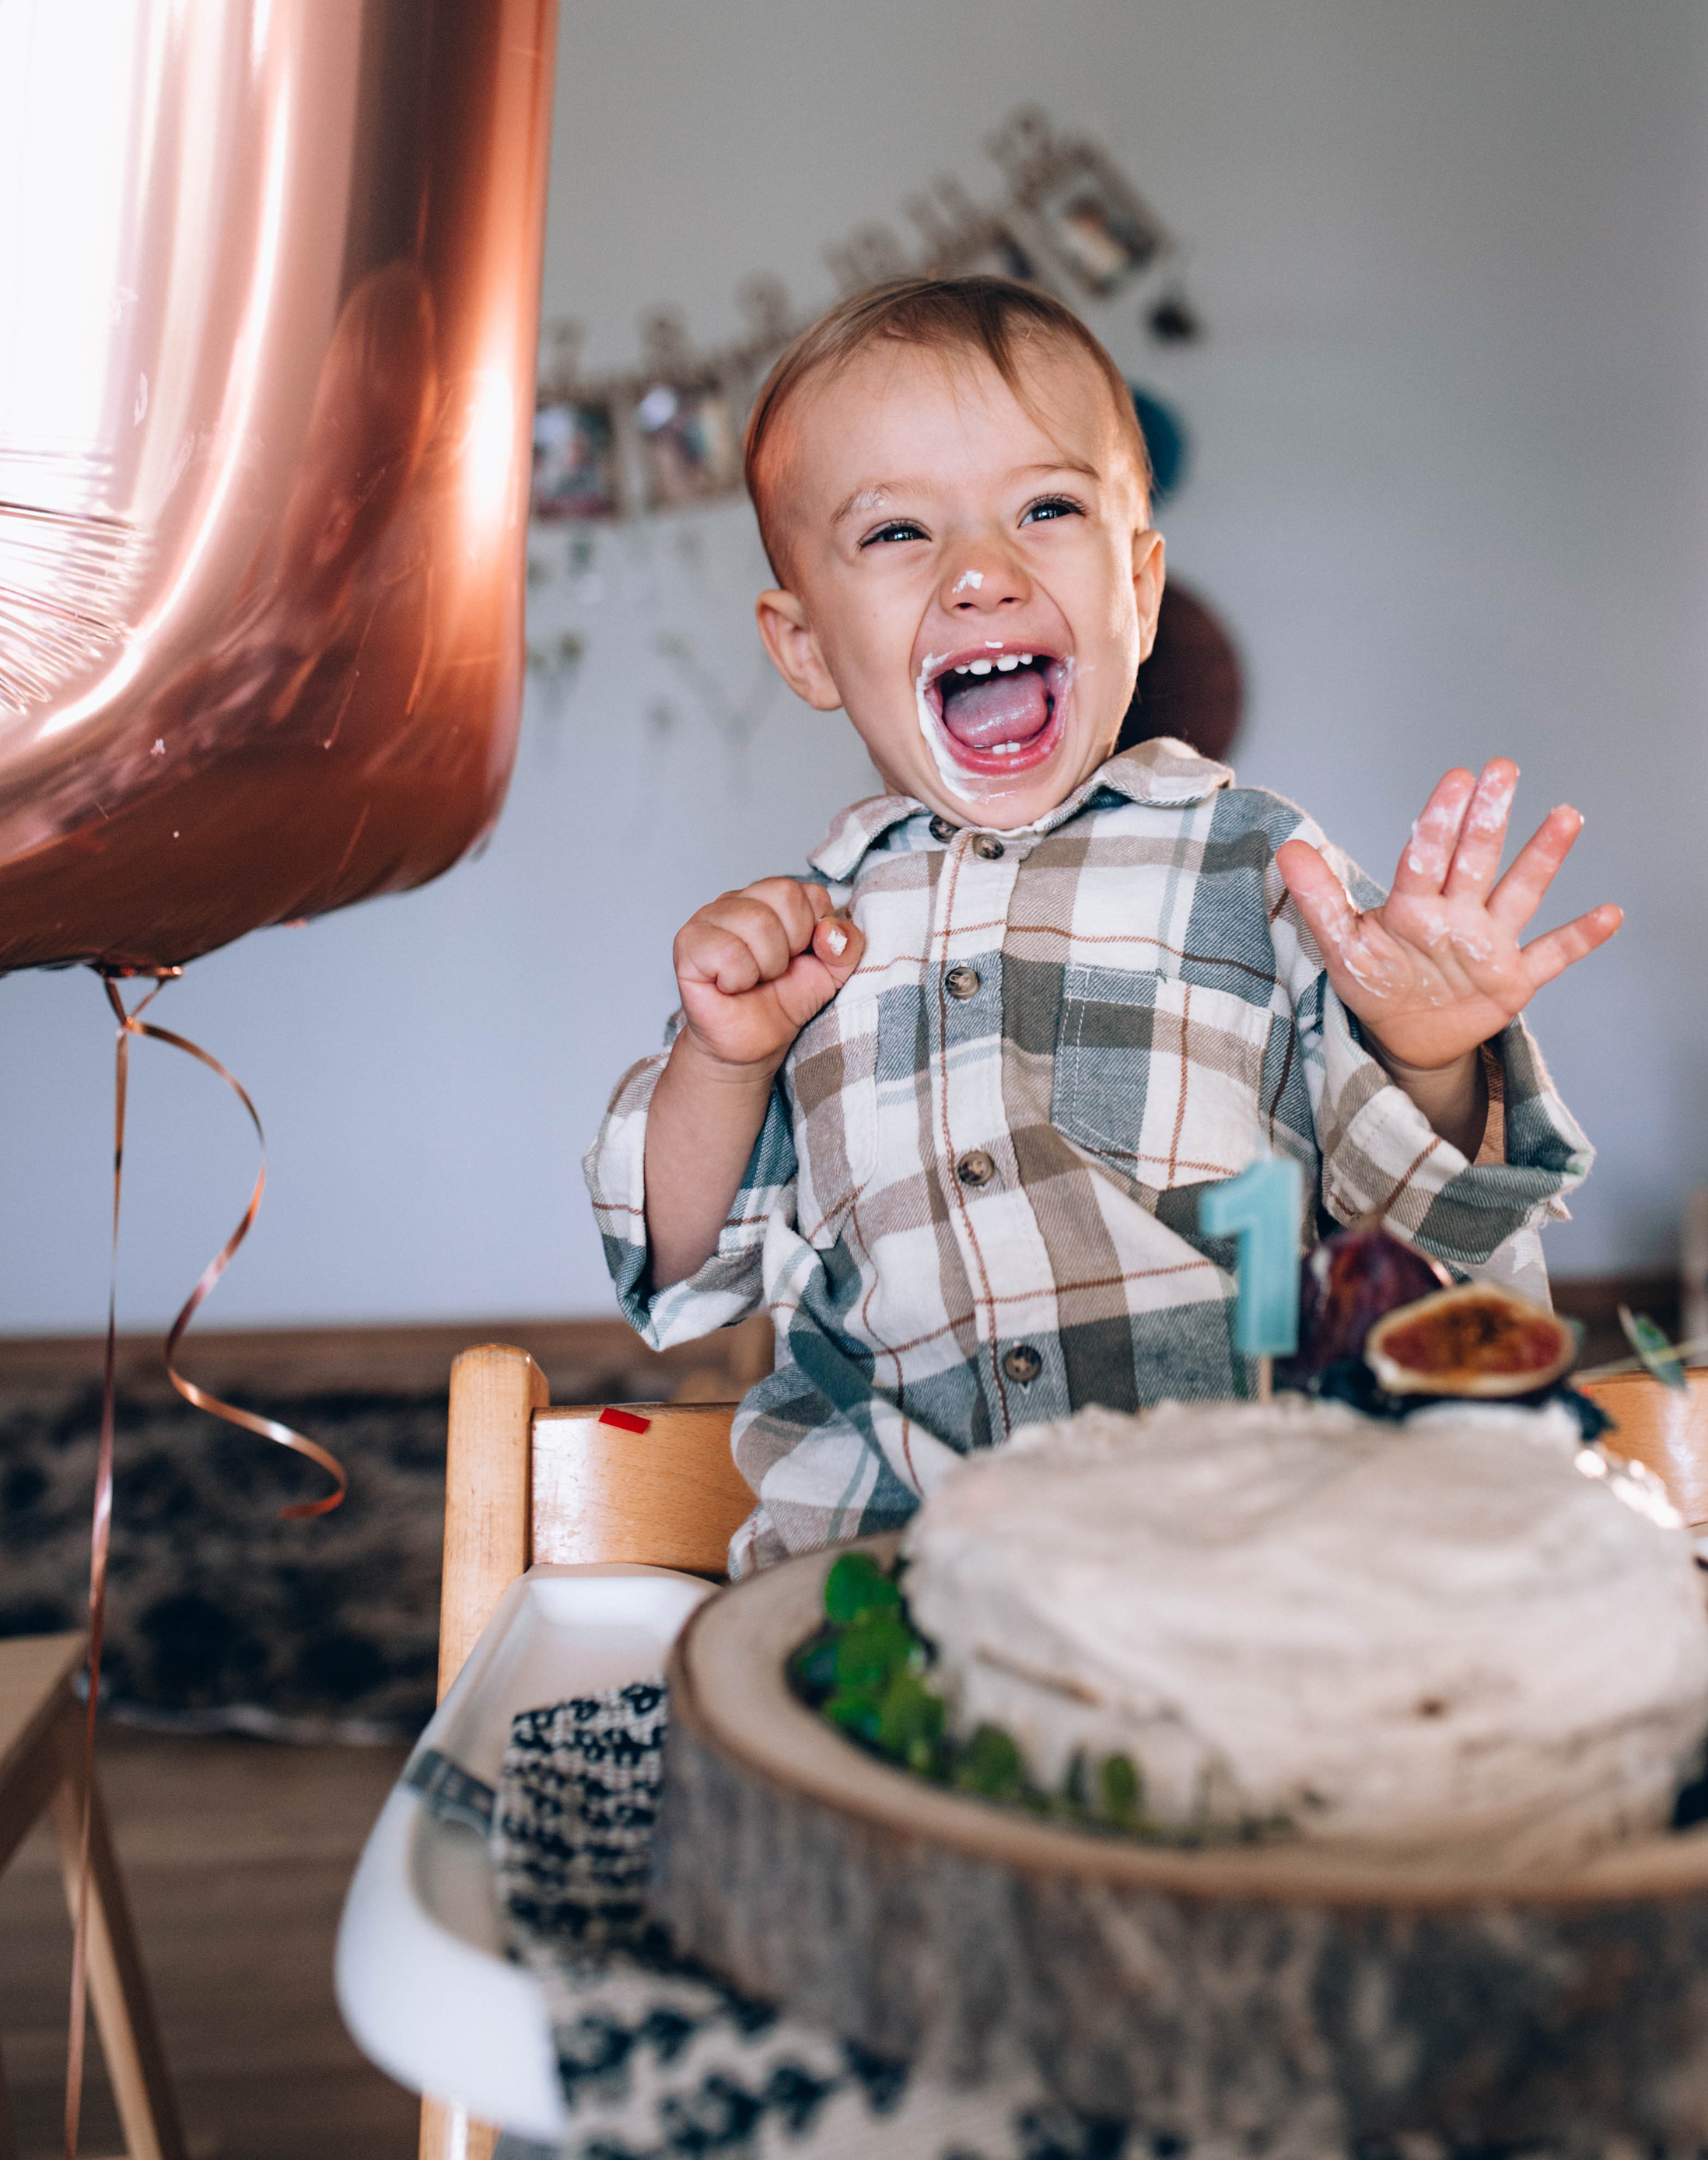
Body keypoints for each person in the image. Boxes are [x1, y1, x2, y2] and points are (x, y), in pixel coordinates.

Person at [583, 278, 1622, 1572]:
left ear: (1137, 589)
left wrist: (1425, 1054)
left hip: (1232, 1565)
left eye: (1047, 508)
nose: (980, 572)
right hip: (889, 1582)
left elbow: (1424, 1242)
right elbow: (678, 1266)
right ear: (803, 648)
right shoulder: (806, 946)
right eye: (900, 533)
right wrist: (724, 1059)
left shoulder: (1255, 866)